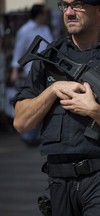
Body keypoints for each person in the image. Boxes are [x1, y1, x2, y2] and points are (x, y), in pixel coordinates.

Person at [12, 0, 100, 215]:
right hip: (59, 180)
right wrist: (53, 90)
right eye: (64, 5)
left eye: (76, 5)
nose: (68, 12)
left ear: (99, 8)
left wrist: (95, 111)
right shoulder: (49, 57)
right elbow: (21, 122)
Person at [10, 4, 53, 146]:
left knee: (45, 102)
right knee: (32, 101)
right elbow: (18, 50)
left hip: (47, 71)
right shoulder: (25, 30)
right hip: (30, 72)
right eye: (44, 13)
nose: (46, 15)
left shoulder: (45, 28)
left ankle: (36, 135)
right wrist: (15, 71)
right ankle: (28, 136)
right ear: (39, 14)